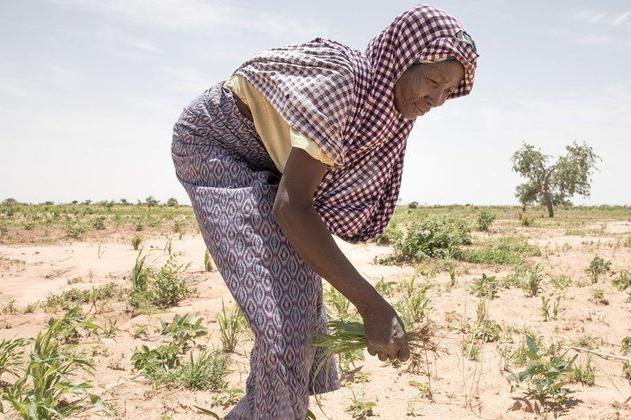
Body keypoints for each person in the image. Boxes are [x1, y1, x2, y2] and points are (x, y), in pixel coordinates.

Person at [171, 4, 478, 419]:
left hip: (270, 164)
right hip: (216, 145)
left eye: (448, 91)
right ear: (403, 59)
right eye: (434, 81)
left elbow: (299, 202)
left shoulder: (389, 110)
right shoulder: (345, 83)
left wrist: (370, 304)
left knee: (299, 313)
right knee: (284, 327)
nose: (437, 100)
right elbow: (292, 207)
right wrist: (372, 307)